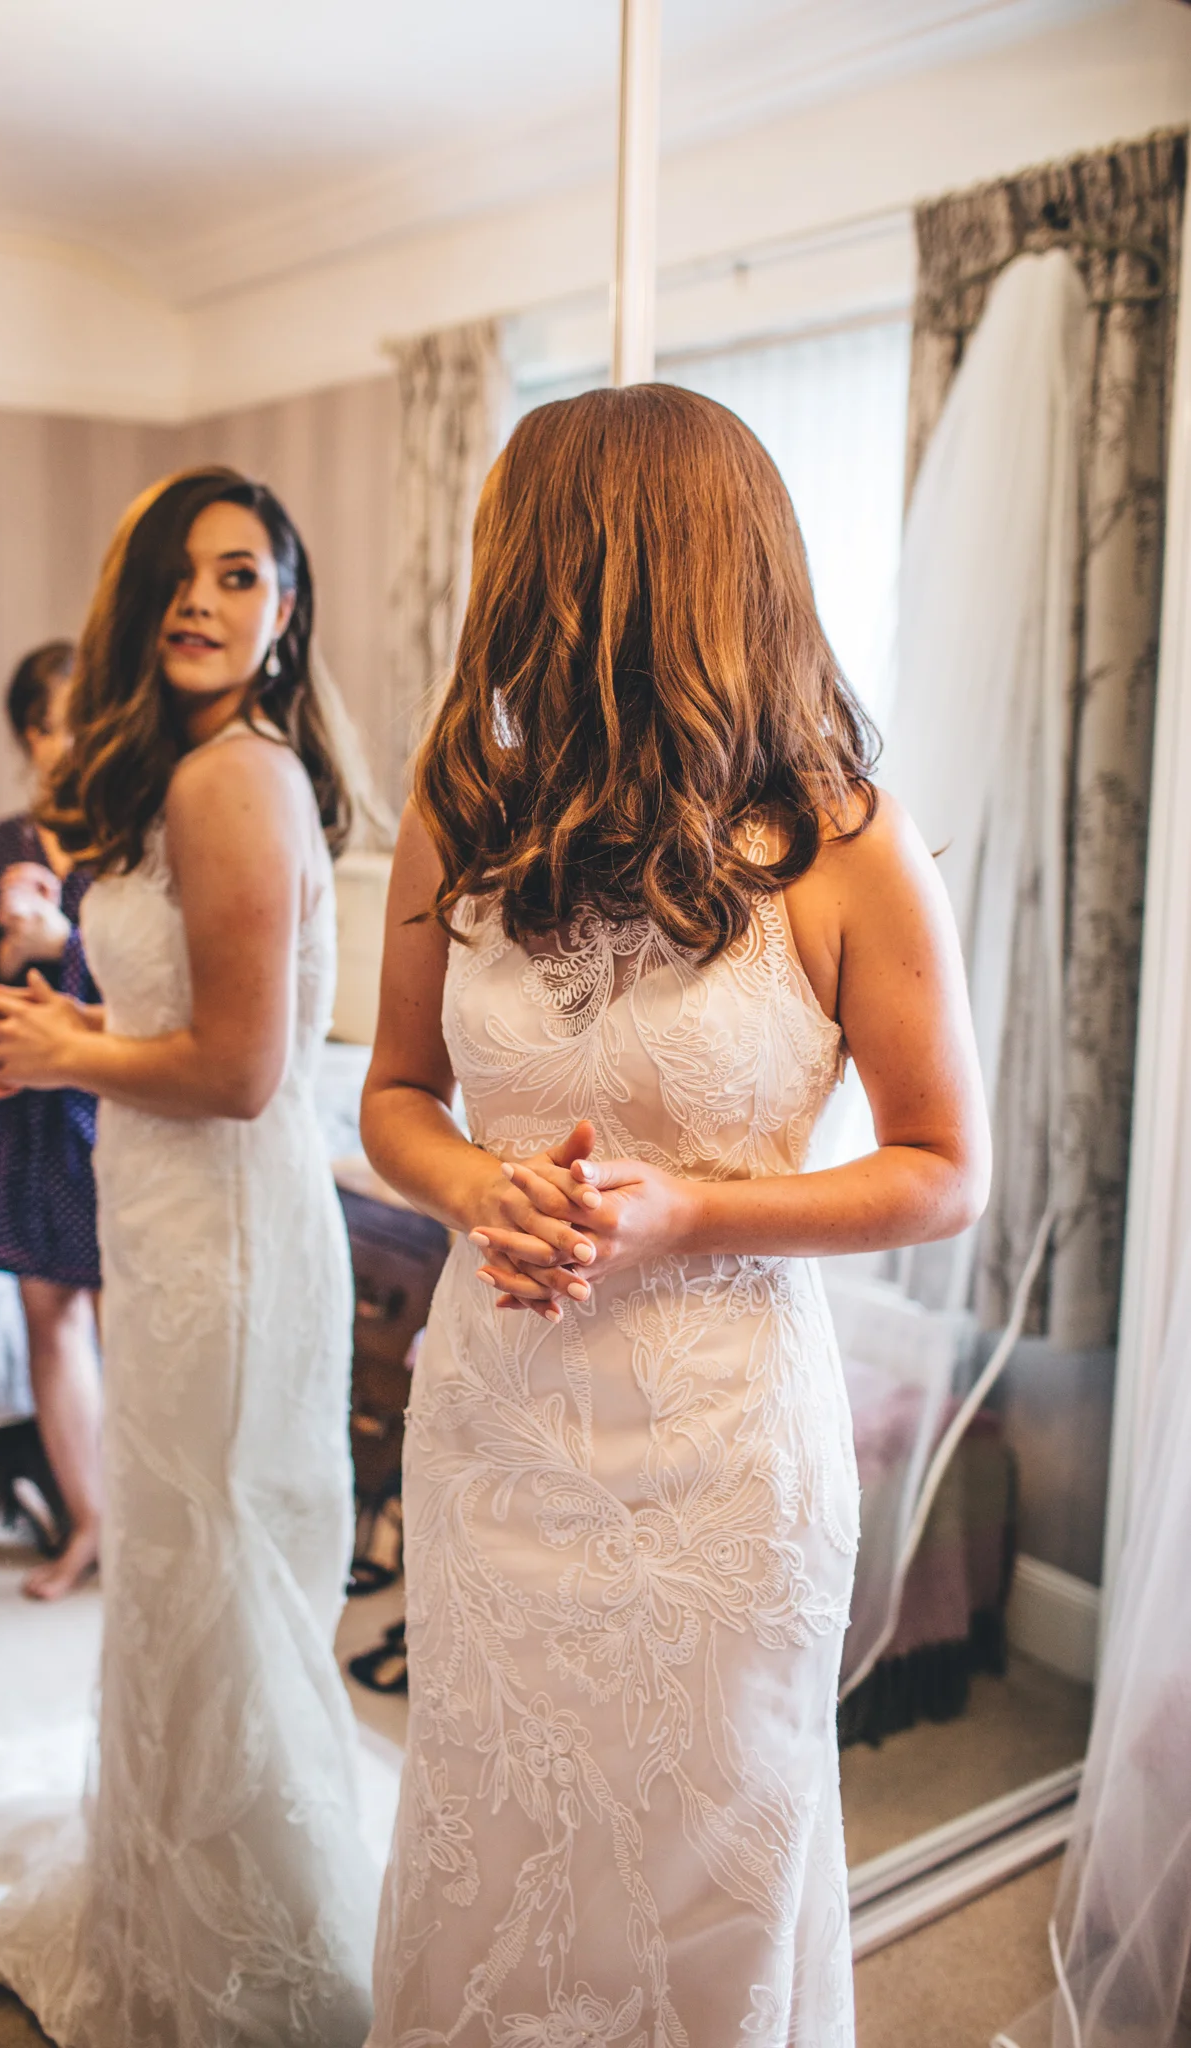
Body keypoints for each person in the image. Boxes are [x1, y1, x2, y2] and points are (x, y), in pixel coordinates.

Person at [360, 386, 990, 2048]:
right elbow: (395, 1095)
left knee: (701, 1865)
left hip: (720, 1458)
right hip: (499, 1422)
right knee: (491, 1819)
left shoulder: (849, 844)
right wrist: (473, 1178)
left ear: (610, 572)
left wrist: (692, 1209)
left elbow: (943, 1162)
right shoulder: (461, 816)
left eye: (521, 543)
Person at [0, 467, 382, 2043]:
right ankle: (180, 1906)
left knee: (224, 1574)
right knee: (186, 1570)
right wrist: (76, 1029)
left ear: (284, 611)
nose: (202, 598)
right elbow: (198, 1033)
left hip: (230, 1243)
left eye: (240, 574)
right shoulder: (201, 773)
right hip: (181, 1224)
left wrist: (66, 1050)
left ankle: (257, 1952)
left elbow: (249, 1073)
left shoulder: (232, 781)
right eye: (180, 573)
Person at [0, 640, 103, 1599]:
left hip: (111, 1105)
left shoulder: (133, 841)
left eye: (88, 717)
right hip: (22, 1123)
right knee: (50, 1319)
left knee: (132, 1318)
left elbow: (157, 994)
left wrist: (67, 944)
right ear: (29, 737)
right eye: (55, 723)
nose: (72, 740)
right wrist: (10, 950)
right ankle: (89, 1521)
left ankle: (145, 1523)